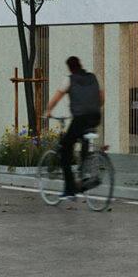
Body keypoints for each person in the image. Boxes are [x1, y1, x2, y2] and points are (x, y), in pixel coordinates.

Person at [42, 54, 103, 198]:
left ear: (70, 68)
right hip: (95, 117)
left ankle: (70, 189)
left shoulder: (69, 79)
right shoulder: (95, 77)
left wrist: (47, 111)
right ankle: (84, 167)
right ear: (81, 65)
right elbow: (101, 99)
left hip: (80, 119)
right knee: (83, 138)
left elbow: (55, 99)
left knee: (65, 151)